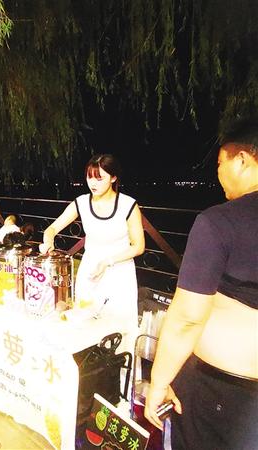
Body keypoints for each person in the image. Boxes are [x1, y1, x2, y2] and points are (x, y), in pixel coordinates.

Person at [144, 121, 258, 449]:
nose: (218, 173)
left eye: (220, 163)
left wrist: (159, 383)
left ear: (242, 160)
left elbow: (187, 318)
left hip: (222, 396)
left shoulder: (219, 222)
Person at [39, 154, 145, 326]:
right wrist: (48, 242)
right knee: (84, 321)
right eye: (90, 177)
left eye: (99, 178)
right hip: (90, 270)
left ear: (113, 178)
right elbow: (52, 229)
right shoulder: (81, 202)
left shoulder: (128, 205)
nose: (93, 183)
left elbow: (138, 246)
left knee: (120, 326)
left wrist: (108, 261)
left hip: (119, 270)